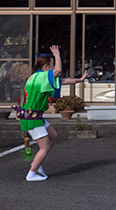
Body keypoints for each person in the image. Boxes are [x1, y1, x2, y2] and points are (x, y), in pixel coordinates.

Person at [17, 46, 86, 181]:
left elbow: (62, 81)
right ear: (47, 65)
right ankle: (32, 172)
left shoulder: (36, 77)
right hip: (32, 117)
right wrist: (57, 54)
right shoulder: (42, 76)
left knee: (53, 136)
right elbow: (58, 71)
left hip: (34, 115)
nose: (54, 68)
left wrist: (79, 80)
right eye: (52, 65)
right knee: (45, 146)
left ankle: (37, 165)